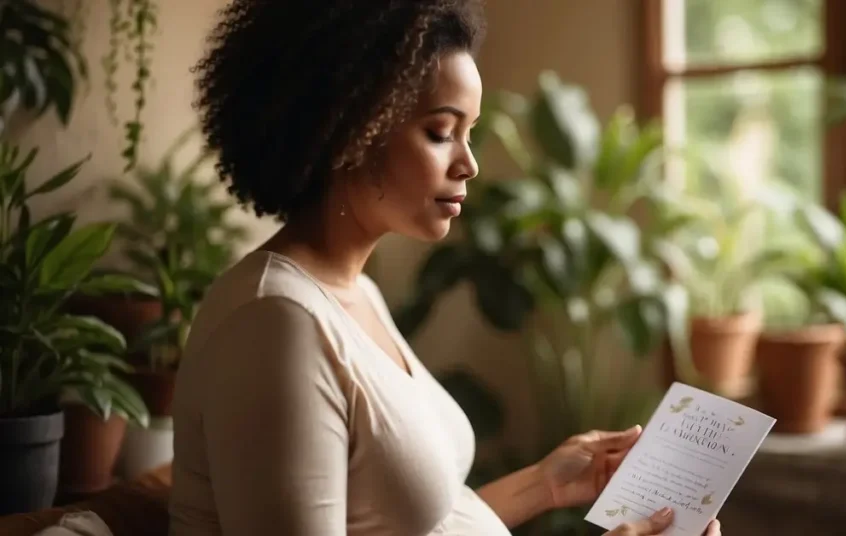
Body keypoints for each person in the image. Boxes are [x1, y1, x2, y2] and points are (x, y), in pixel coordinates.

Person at [169, 1, 723, 535]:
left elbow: (410, 523)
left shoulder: (354, 292)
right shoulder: (274, 324)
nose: (470, 163)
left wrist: (542, 486)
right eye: (440, 132)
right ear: (349, 130)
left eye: (470, 133)